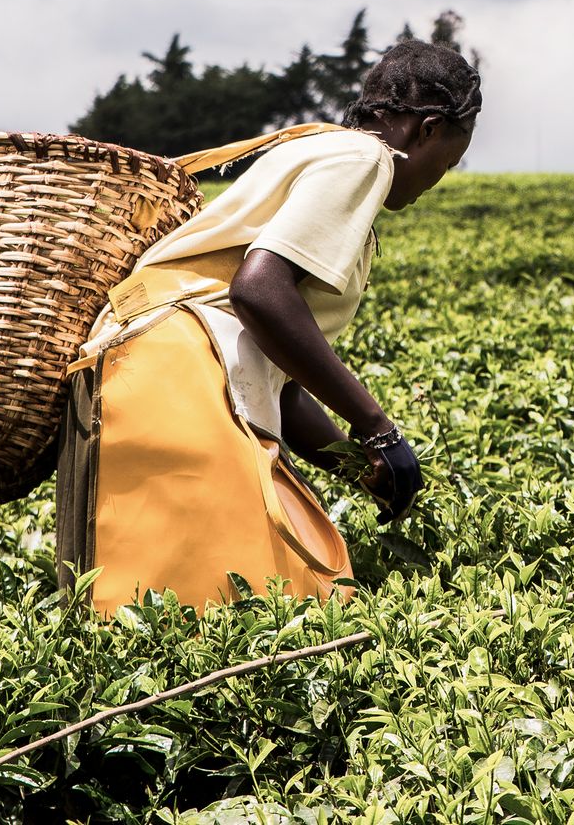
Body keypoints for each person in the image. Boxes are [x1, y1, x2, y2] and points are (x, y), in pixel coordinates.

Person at [55, 40, 481, 616]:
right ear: (428, 130)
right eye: (449, 163)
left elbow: (271, 368)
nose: (438, 179)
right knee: (265, 601)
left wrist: (358, 465)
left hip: (139, 370)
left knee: (136, 605)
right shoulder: (364, 159)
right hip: (178, 370)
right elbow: (258, 293)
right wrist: (377, 427)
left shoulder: (319, 150)